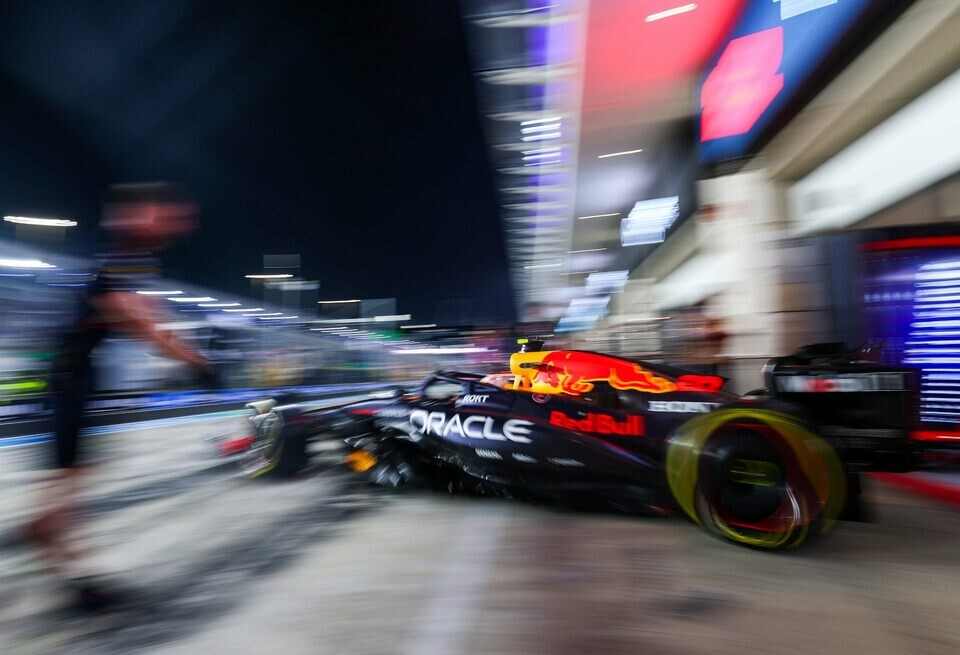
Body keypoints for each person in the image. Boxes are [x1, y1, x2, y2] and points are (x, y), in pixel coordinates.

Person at [24, 182, 214, 611]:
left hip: (77, 372)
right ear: (144, 212)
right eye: (171, 215)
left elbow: (144, 314)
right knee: (69, 481)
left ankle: (57, 549)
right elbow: (133, 317)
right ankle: (69, 568)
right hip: (70, 374)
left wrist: (186, 353)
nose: (180, 225)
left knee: (72, 477)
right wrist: (193, 361)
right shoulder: (119, 251)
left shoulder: (128, 254)